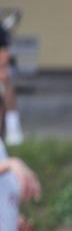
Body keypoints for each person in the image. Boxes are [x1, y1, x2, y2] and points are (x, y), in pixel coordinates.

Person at [0, 12, 24, 146]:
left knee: (4, 79)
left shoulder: (0, 30)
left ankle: (13, 128)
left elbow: (4, 57)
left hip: (3, 71)